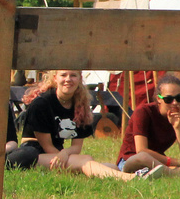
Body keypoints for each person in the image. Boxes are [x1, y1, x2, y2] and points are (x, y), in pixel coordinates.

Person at [20, 69, 166, 181]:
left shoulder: (80, 105)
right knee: (85, 161)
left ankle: (126, 174)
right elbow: (47, 147)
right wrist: (64, 154)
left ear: (79, 79)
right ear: (55, 78)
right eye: (63, 75)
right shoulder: (42, 104)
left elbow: (76, 147)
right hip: (33, 154)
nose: (68, 80)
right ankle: (132, 179)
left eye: (73, 75)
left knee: (110, 167)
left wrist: (65, 153)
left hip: (58, 154)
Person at [117, 73, 180, 178]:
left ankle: (166, 174)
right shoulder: (144, 112)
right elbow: (141, 150)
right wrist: (179, 162)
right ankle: (173, 174)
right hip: (131, 161)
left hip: (159, 163)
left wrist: (178, 128)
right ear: (159, 99)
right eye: (169, 99)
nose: (175, 103)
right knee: (143, 156)